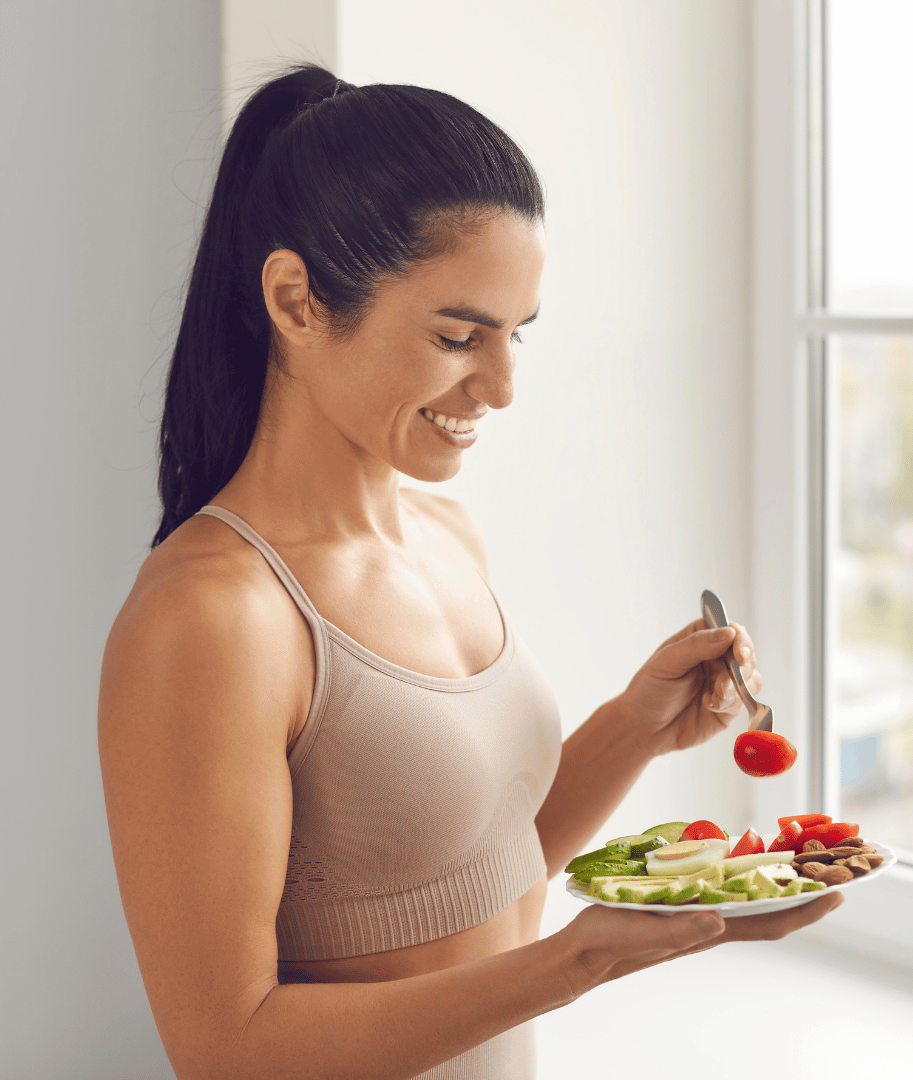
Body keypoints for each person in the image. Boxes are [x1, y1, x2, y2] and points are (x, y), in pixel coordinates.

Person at [98, 64, 842, 1080]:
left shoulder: (448, 536)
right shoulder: (214, 618)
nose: (499, 386)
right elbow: (226, 1051)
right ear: (295, 299)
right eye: (459, 336)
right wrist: (572, 963)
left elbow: (474, 880)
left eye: (515, 335)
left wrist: (634, 727)